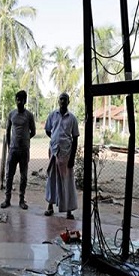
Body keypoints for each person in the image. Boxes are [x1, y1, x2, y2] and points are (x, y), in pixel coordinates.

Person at [44, 92, 79, 220]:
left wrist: (72, 158)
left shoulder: (72, 118)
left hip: (66, 154)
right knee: (51, 179)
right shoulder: (52, 115)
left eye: (65, 99)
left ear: (68, 102)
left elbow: (75, 139)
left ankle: (69, 210)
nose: (63, 101)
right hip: (54, 152)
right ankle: (50, 206)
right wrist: (55, 140)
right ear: (58, 101)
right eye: (61, 99)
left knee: (67, 181)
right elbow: (48, 130)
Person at [0, 90, 36, 210]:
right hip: (13, 150)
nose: (19, 102)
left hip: (24, 150)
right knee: (9, 175)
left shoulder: (29, 115)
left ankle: (21, 200)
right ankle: (7, 199)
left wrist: (25, 139)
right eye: (17, 99)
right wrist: (10, 146)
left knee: (23, 176)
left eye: (21, 100)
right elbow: (8, 131)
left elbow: (33, 131)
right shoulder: (11, 114)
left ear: (25, 101)